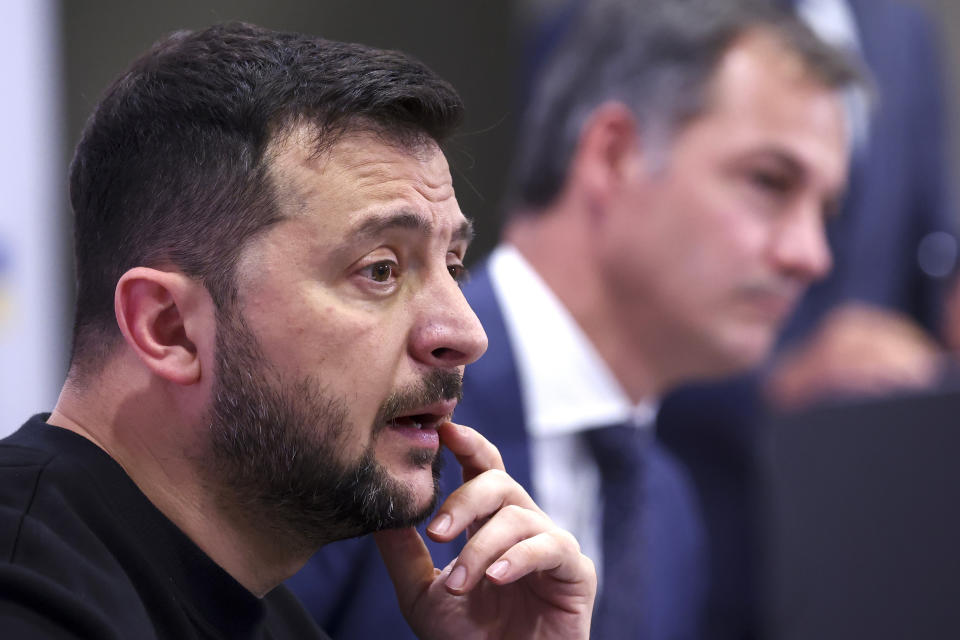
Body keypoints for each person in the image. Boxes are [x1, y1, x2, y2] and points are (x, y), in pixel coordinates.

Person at [0, 22, 597, 640]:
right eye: (381, 270)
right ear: (170, 328)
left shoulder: (269, 614)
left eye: (453, 265)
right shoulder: (25, 597)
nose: (467, 333)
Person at [288, 0, 863, 638]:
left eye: (827, 211)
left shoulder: (672, 511)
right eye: (770, 182)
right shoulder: (368, 391)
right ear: (613, 154)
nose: (812, 255)